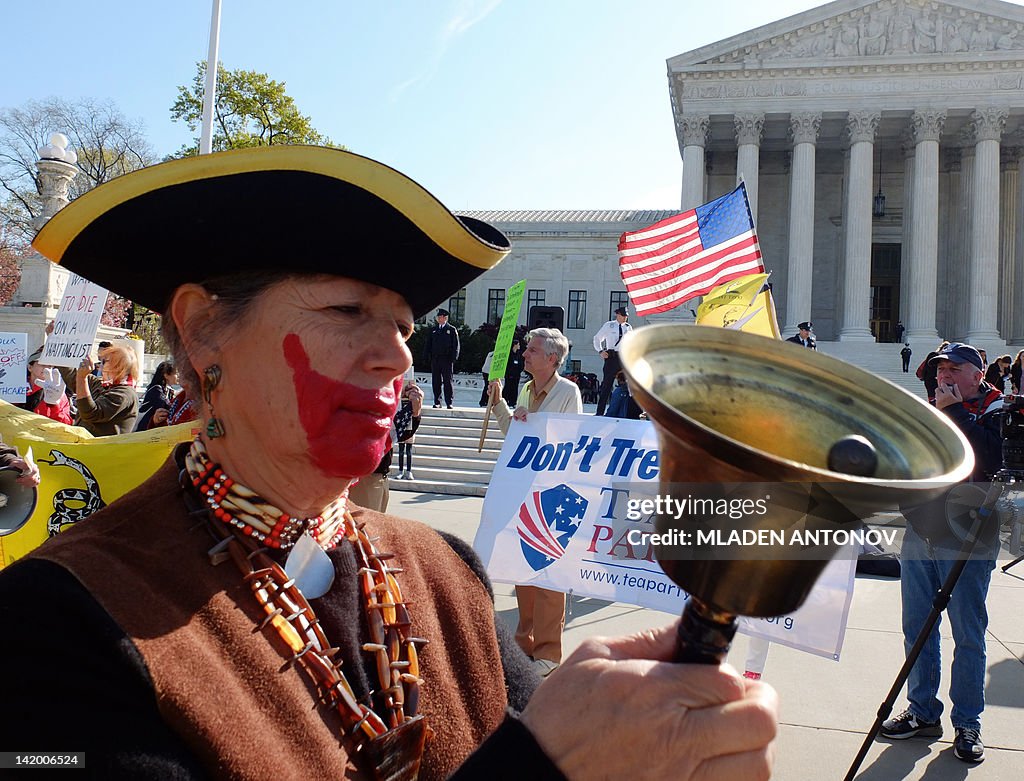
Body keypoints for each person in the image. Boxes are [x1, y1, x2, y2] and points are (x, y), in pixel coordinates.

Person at [0, 147, 777, 780]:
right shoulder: (61, 617)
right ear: (204, 330)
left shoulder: (444, 574)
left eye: (404, 324)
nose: (397, 354)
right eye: (347, 311)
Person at [882, 343, 1001, 764]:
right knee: (917, 627)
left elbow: (992, 458)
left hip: (968, 537)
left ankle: (968, 723)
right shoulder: (927, 410)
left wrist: (956, 414)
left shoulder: (996, 411)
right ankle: (921, 710)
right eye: (940, 369)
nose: (945, 375)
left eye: (955, 368)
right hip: (922, 531)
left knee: (968, 632)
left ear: (977, 374)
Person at [488, 328, 583, 678]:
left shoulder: (567, 392)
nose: (525, 354)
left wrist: (536, 427)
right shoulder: (527, 389)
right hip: (524, 493)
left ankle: (547, 653)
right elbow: (515, 439)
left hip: (554, 495)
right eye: (527, 349)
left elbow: (568, 441)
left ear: (552, 359)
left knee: (548, 576)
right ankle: (524, 644)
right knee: (522, 572)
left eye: (532, 350)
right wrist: (501, 405)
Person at [50, 330, 139, 436]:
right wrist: (54, 338)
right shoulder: (102, 384)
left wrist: (82, 378)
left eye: (105, 362)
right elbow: (72, 377)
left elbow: (91, 414)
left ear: (119, 367)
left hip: (100, 451)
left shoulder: (125, 394)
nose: (99, 366)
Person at [592, 306, 632, 415]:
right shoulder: (609, 325)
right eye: (623, 316)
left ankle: (623, 412)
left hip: (623, 357)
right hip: (611, 357)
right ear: (617, 315)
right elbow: (597, 338)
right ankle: (599, 412)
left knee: (626, 386)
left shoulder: (628, 327)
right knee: (606, 386)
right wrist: (600, 351)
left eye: (626, 316)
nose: (625, 318)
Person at [17, 348, 73, 425]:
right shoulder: (14, 386)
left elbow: (65, 424)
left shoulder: (58, 392)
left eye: (50, 366)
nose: (47, 368)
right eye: (42, 364)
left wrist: (54, 404)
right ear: (30, 367)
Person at [424, 308, 459, 409]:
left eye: (440, 317)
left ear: (445, 318)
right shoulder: (433, 330)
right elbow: (428, 344)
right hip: (436, 359)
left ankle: (449, 402)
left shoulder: (451, 330)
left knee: (448, 381)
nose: (439, 319)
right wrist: (426, 356)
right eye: (438, 317)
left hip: (447, 359)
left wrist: (453, 358)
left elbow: (456, 345)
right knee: (436, 381)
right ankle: (437, 401)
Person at [134, 360, 178, 431]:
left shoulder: (168, 390)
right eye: (176, 373)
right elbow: (168, 407)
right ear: (166, 375)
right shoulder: (156, 390)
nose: (178, 376)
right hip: (145, 428)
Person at [394, 380, 424, 480]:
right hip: (402, 427)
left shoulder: (414, 399)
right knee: (401, 451)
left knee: (409, 451)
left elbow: (417, 412)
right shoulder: (400, 398)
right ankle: (400, 470)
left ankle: (409, 471)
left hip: (410, 426)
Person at [916, 340, 950, 404]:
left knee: (933, 398)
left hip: (930, 381)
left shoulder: (933, 356)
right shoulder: (934, 356)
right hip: (933, 381)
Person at [503, 339, 524, 407]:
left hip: (516, 374)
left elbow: (521, 363)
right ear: (514, 345)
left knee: (515, 388)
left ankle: (513, 402)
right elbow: (507, 364)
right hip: (509, 374)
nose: (519, 346)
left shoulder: (519, 354)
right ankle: (505, 401)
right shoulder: (509, 354)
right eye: (518, 344)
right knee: (507, 387)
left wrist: (519, 370)